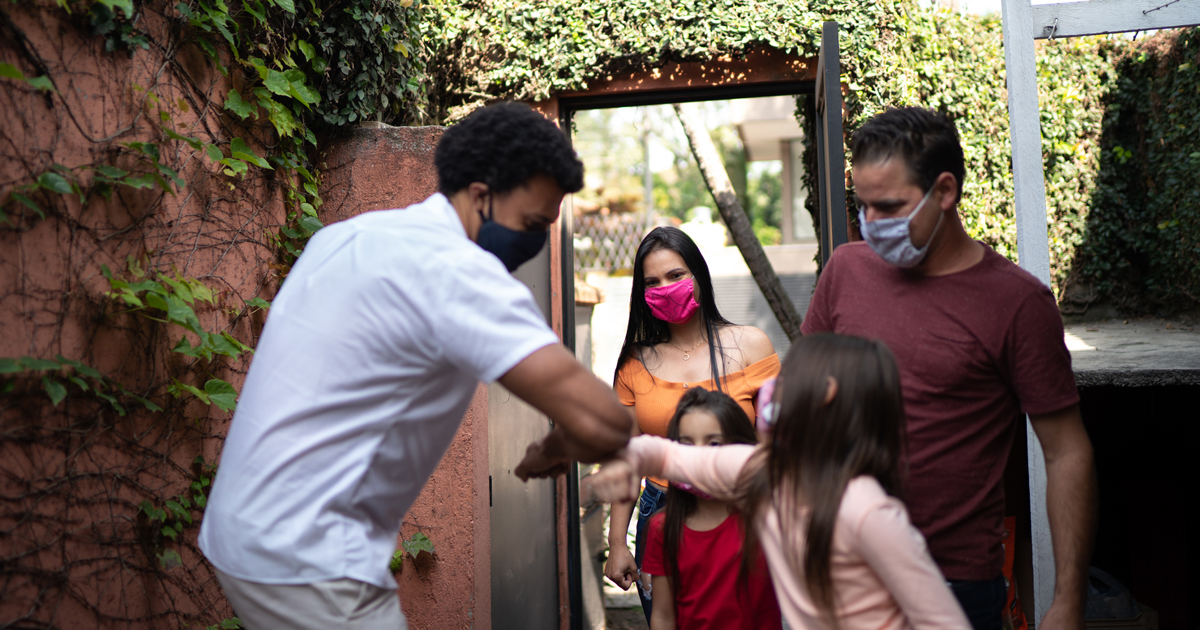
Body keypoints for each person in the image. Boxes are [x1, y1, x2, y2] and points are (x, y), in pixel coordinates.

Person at [197, 103, 633, 630]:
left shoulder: (346, 237)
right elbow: (608, 422)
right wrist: (556, 446)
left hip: (240, 532)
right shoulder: (458, 273)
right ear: (480, 196)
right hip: (310, 560)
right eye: (533, 223)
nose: (536, 242)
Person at [801, 107, 1096, 630]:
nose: (871, 224)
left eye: (888, 207)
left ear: (944, 192)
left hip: (951, 583)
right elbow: (800, 403)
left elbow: (1066, 451)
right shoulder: (845, 271)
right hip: (835, 568)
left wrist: (1068, 598)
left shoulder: (1017, 303)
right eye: (863, 206)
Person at [585, 333, 972, 630]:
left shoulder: (868, 512)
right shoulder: (770, 474)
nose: (770, 391)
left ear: (825, 395)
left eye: (786, 380)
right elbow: (665, 454)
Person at [602, 226, 778, 622]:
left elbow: (775, 447)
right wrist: (617, 543)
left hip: (742, 512)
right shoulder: (635, 362)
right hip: (662, 514)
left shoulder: (751, 345)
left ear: (698, 275)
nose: (665, 287)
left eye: (676, 275)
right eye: (652, 282)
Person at [642, 387, 783, 630]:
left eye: (714, 443)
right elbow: (663, 616)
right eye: (687, 445)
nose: (700, 457)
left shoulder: (768, 518)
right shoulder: (662, 528)